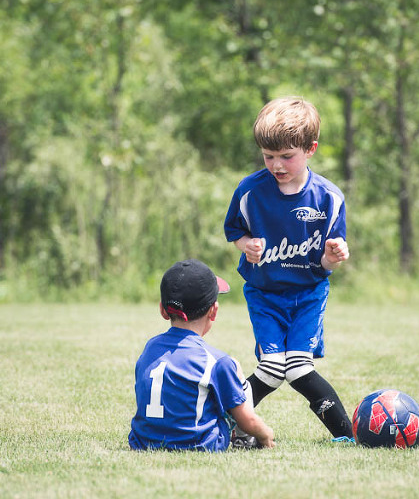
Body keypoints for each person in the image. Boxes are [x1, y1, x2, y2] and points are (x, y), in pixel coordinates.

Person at [223, 96, 354, 445]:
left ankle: (346, 435)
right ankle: (232, 427)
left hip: (308, 295)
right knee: (271, 368)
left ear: (310, 149)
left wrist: (334, 255)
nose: (277, 165)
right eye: (269, 157)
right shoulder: (250, 191)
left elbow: (324, 264)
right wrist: (245, 246)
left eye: (286, 156)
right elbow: (235, 231)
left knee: (297, 368)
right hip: (264, 293)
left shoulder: (329, 198)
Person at [128, 259, 275, 451]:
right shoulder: (217, 362)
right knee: (234, 368)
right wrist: (266, 435)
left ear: (163, 310)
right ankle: (243, 438)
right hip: (200, 443)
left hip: (144, 442)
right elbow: (248, 420)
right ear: (213, 311)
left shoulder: (150, 347)